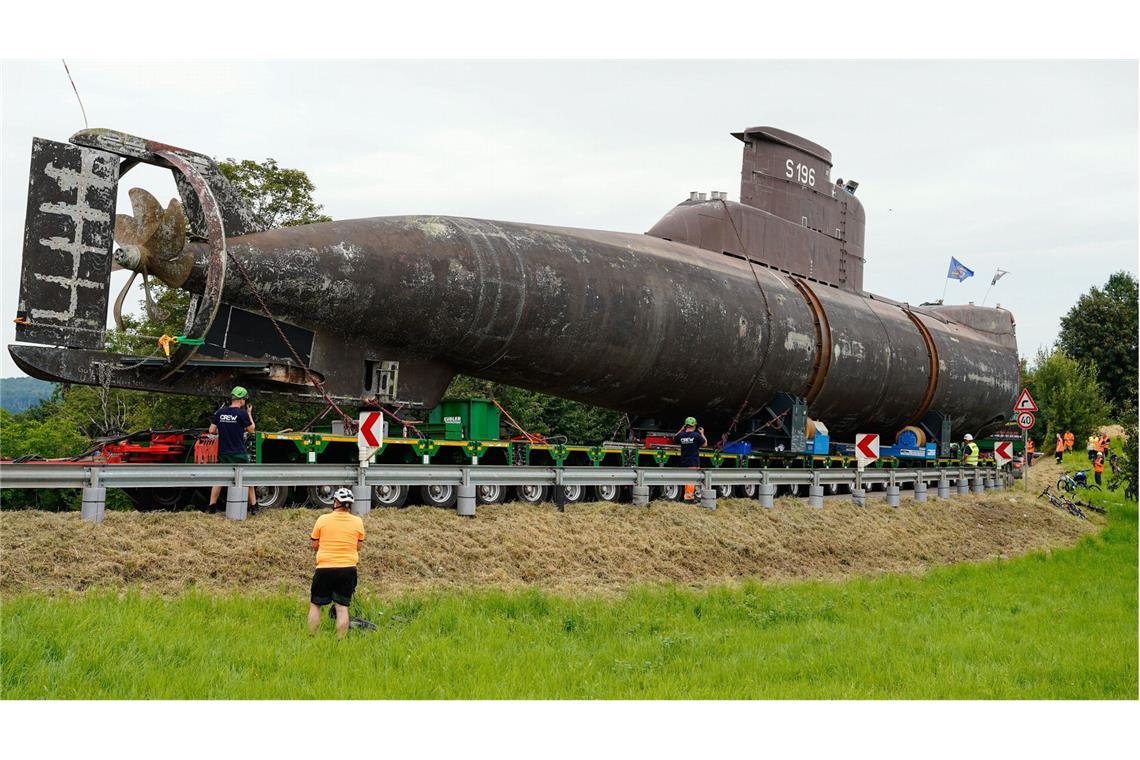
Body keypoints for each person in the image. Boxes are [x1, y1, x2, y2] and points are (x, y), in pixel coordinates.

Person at [308, 487, 366, 638]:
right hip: (348, 569)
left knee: (315, 605)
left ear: (336, 502)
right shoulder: (358, 522)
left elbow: (314, 545)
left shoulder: (322, 519)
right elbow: (358, 546)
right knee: (342, 608)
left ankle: (312, 637)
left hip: (325, 567)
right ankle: (340, 641)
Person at [207, 386, 256, 513]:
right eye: (244, 400)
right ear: (241, 400)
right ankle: (254, 507)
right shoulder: (242, 413)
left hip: (224, 452)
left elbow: (211, 430)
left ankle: (212, 506)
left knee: (220, 479)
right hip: (239, 452)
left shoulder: (220, 413)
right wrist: (249, 413)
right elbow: (251, 429)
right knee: (247, 480)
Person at [673, 416, 707, 501]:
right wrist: (702, 433)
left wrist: (681, 430)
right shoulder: (696, 435)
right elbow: (705, 444)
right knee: (691, 480)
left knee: (686, 480)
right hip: (693, 462)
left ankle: (688, 497)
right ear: (694, 426)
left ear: (685, 426)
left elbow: (674, 438)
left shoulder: (681, 435)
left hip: (683, 461)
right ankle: (689, 499)